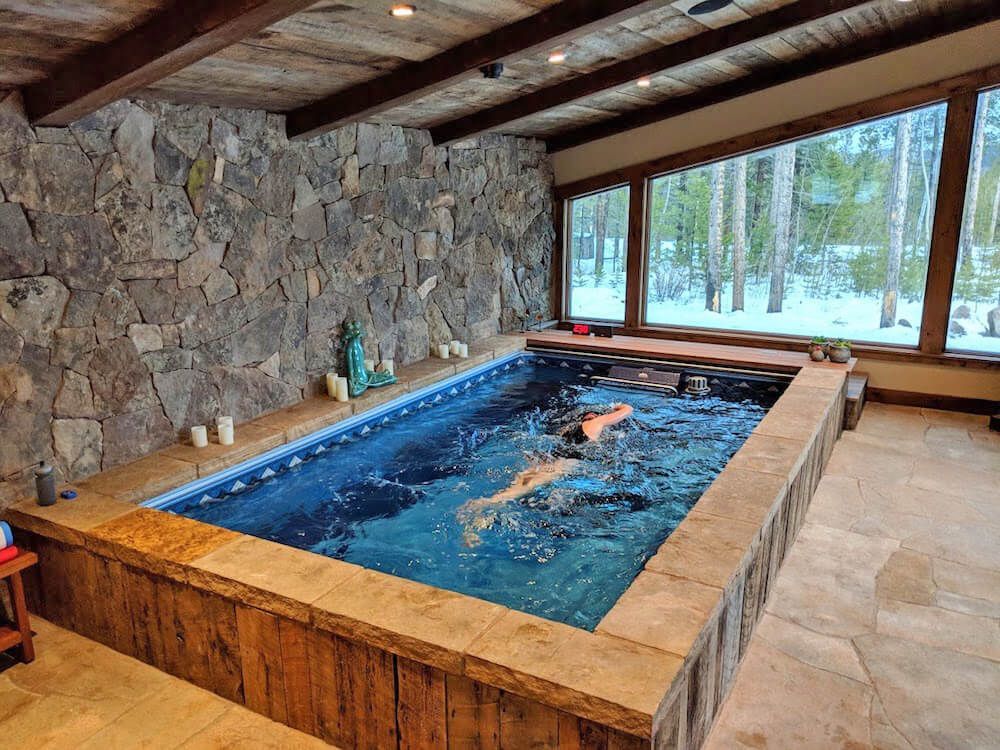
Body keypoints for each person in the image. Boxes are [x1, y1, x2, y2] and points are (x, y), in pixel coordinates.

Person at [457, 403, 633, 546]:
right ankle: (476, 508)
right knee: (511, 495)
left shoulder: (568, 431)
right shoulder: (595, 423)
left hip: (544, 462)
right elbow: (627, 411)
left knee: (512, 491)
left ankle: (477, 518)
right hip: (559, 466)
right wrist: (619, 406)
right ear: (593, 416)